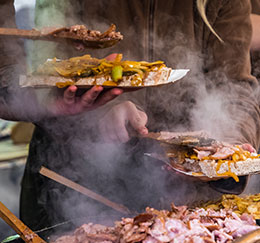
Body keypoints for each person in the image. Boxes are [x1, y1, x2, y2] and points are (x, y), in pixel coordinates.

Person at [18, 0, 260, 230]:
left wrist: (222, 154)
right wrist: (97, 114)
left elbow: (234, 89)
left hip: (183, 202)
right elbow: (43, 82)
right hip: (73, 189)